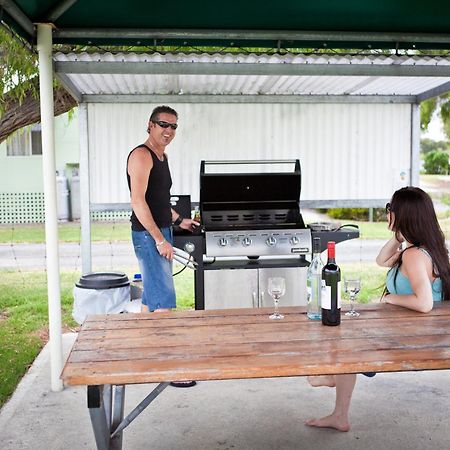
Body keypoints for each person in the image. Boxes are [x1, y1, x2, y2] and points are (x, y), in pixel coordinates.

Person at [306, 186, 449, 432]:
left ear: (401, 214)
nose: (387, 214)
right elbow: (381, 261)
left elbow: (424, 303)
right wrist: (398, 233)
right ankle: (339, 385)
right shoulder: (420, 248)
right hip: (422, 331)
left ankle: (338, 384)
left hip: (417, 338)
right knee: (350, 332)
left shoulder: (415, 256)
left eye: (389, 209)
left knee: (348, 338)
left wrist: (390, 299)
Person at [127, 106, 199, 387]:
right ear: (150, 125)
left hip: (161, 232)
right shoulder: (141, 156)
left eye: (173, 126)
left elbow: (159, 200)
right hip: (148, 236)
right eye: (162, 124)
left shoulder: (162, 157)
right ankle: (168, 368)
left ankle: (146, 360)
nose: (168, 131)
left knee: (151, 299)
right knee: (165, 303)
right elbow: (138, 202)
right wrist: (159, 239)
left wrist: (180, 221)